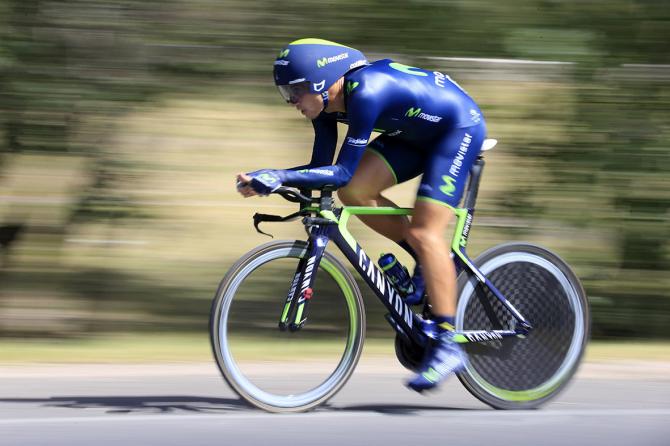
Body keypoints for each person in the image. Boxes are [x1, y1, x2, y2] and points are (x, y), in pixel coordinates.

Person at [236, 38, 487, 393]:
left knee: (426, 232)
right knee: (353, 192)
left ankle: (447, 343)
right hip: (413, 135)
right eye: (285, 93)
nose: (291, 102)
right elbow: (325, 170)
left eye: (294, 91)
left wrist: (279, 175)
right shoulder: (324, 107)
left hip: (456, 130)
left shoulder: (367, 92)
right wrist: (272, 181)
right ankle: (428, 264)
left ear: (320, 82)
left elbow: (340, 170)